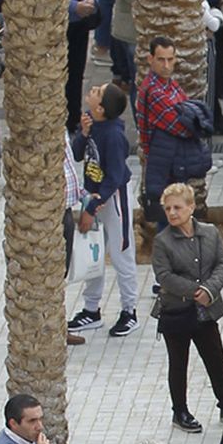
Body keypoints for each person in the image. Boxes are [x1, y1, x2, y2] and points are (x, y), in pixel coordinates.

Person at [151, 185, 223, 434]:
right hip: (177, 312)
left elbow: (222, 262)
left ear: (191, 207)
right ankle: (180, 411)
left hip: (205, 311)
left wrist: (209, 291)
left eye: (177, 207)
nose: (172, 213)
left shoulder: (210, 233)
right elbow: (164, 276)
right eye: (168, 209)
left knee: (216, 359)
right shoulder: (162, 241)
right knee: (179, 363)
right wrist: (195, 291)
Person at [71, 84, 139, 338]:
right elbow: (78, 155)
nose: (91, 89)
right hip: (94, 195)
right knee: (93, 253)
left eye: (97, 91)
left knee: (122, 252)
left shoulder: (113, 136)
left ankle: (130, 311)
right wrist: (84, 133)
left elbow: (115, 176)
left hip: (113, 198)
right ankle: (91, 309)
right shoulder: (92, 124)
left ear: (101, 108)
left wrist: (91, 208)